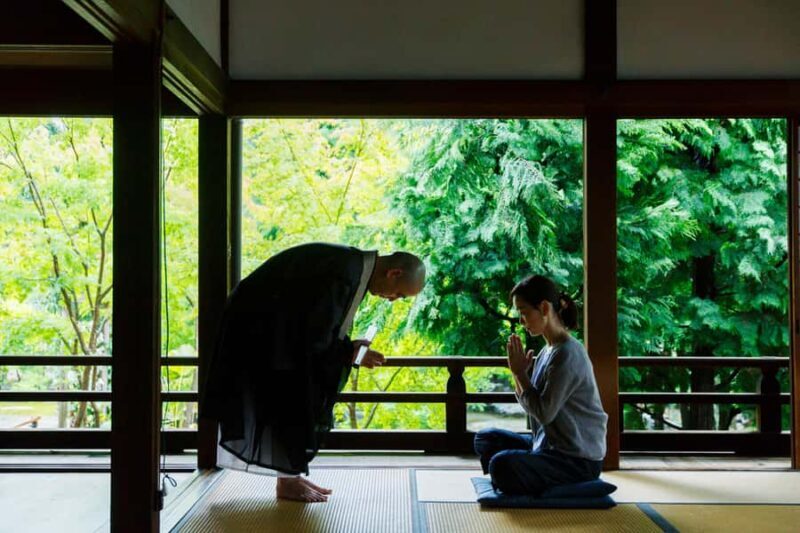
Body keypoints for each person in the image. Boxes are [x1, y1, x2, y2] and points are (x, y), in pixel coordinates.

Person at [200, 242, 425, 502]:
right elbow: (315, 335)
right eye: (400, 294)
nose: (394, 299)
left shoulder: (351, 266)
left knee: (298, 390)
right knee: (297, 391)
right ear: (394, 273)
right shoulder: (342, 272)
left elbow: (319, 327)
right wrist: (348, 353)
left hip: (274, 327)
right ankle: (288, 480)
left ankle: (290, 475)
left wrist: (348, 350)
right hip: (258, 327)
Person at [474, 275, 608, 495]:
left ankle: (518, 479)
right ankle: (520, 477)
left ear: (544, 308)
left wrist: (521, 374)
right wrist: (517, 374)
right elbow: (533, 407)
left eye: (524, 312)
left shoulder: (567, 354)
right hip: (547, 445)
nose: (521, 320)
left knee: (500, 464)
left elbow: (544, 413)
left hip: (576, 459)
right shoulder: (548, 351)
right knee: (486, 438)